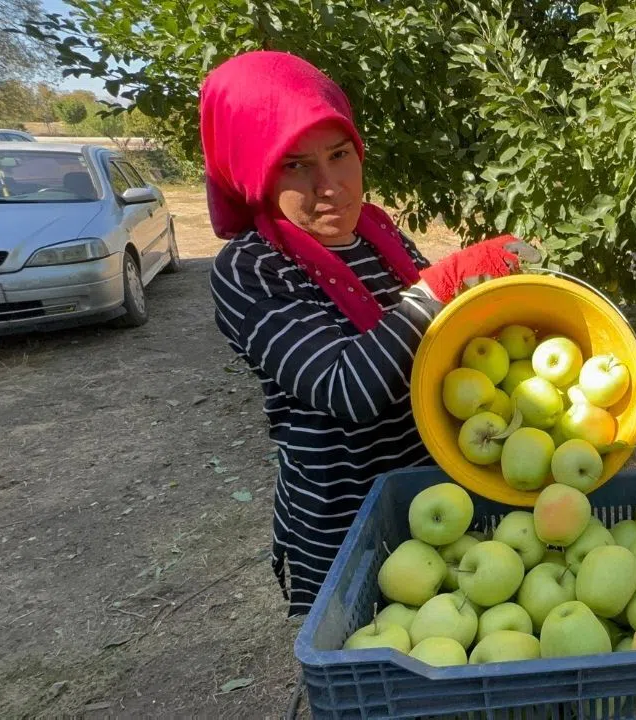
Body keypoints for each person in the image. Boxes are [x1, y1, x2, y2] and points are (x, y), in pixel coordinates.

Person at [202, 51, 535, 616]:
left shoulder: (379, 235)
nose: (330, 186)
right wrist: (438, 286)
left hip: (435, 497)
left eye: (340, 155)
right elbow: (345, 388)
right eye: (295, 165)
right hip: (345, 521)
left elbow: (434, 342)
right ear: (253, 172)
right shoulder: (252, 268)